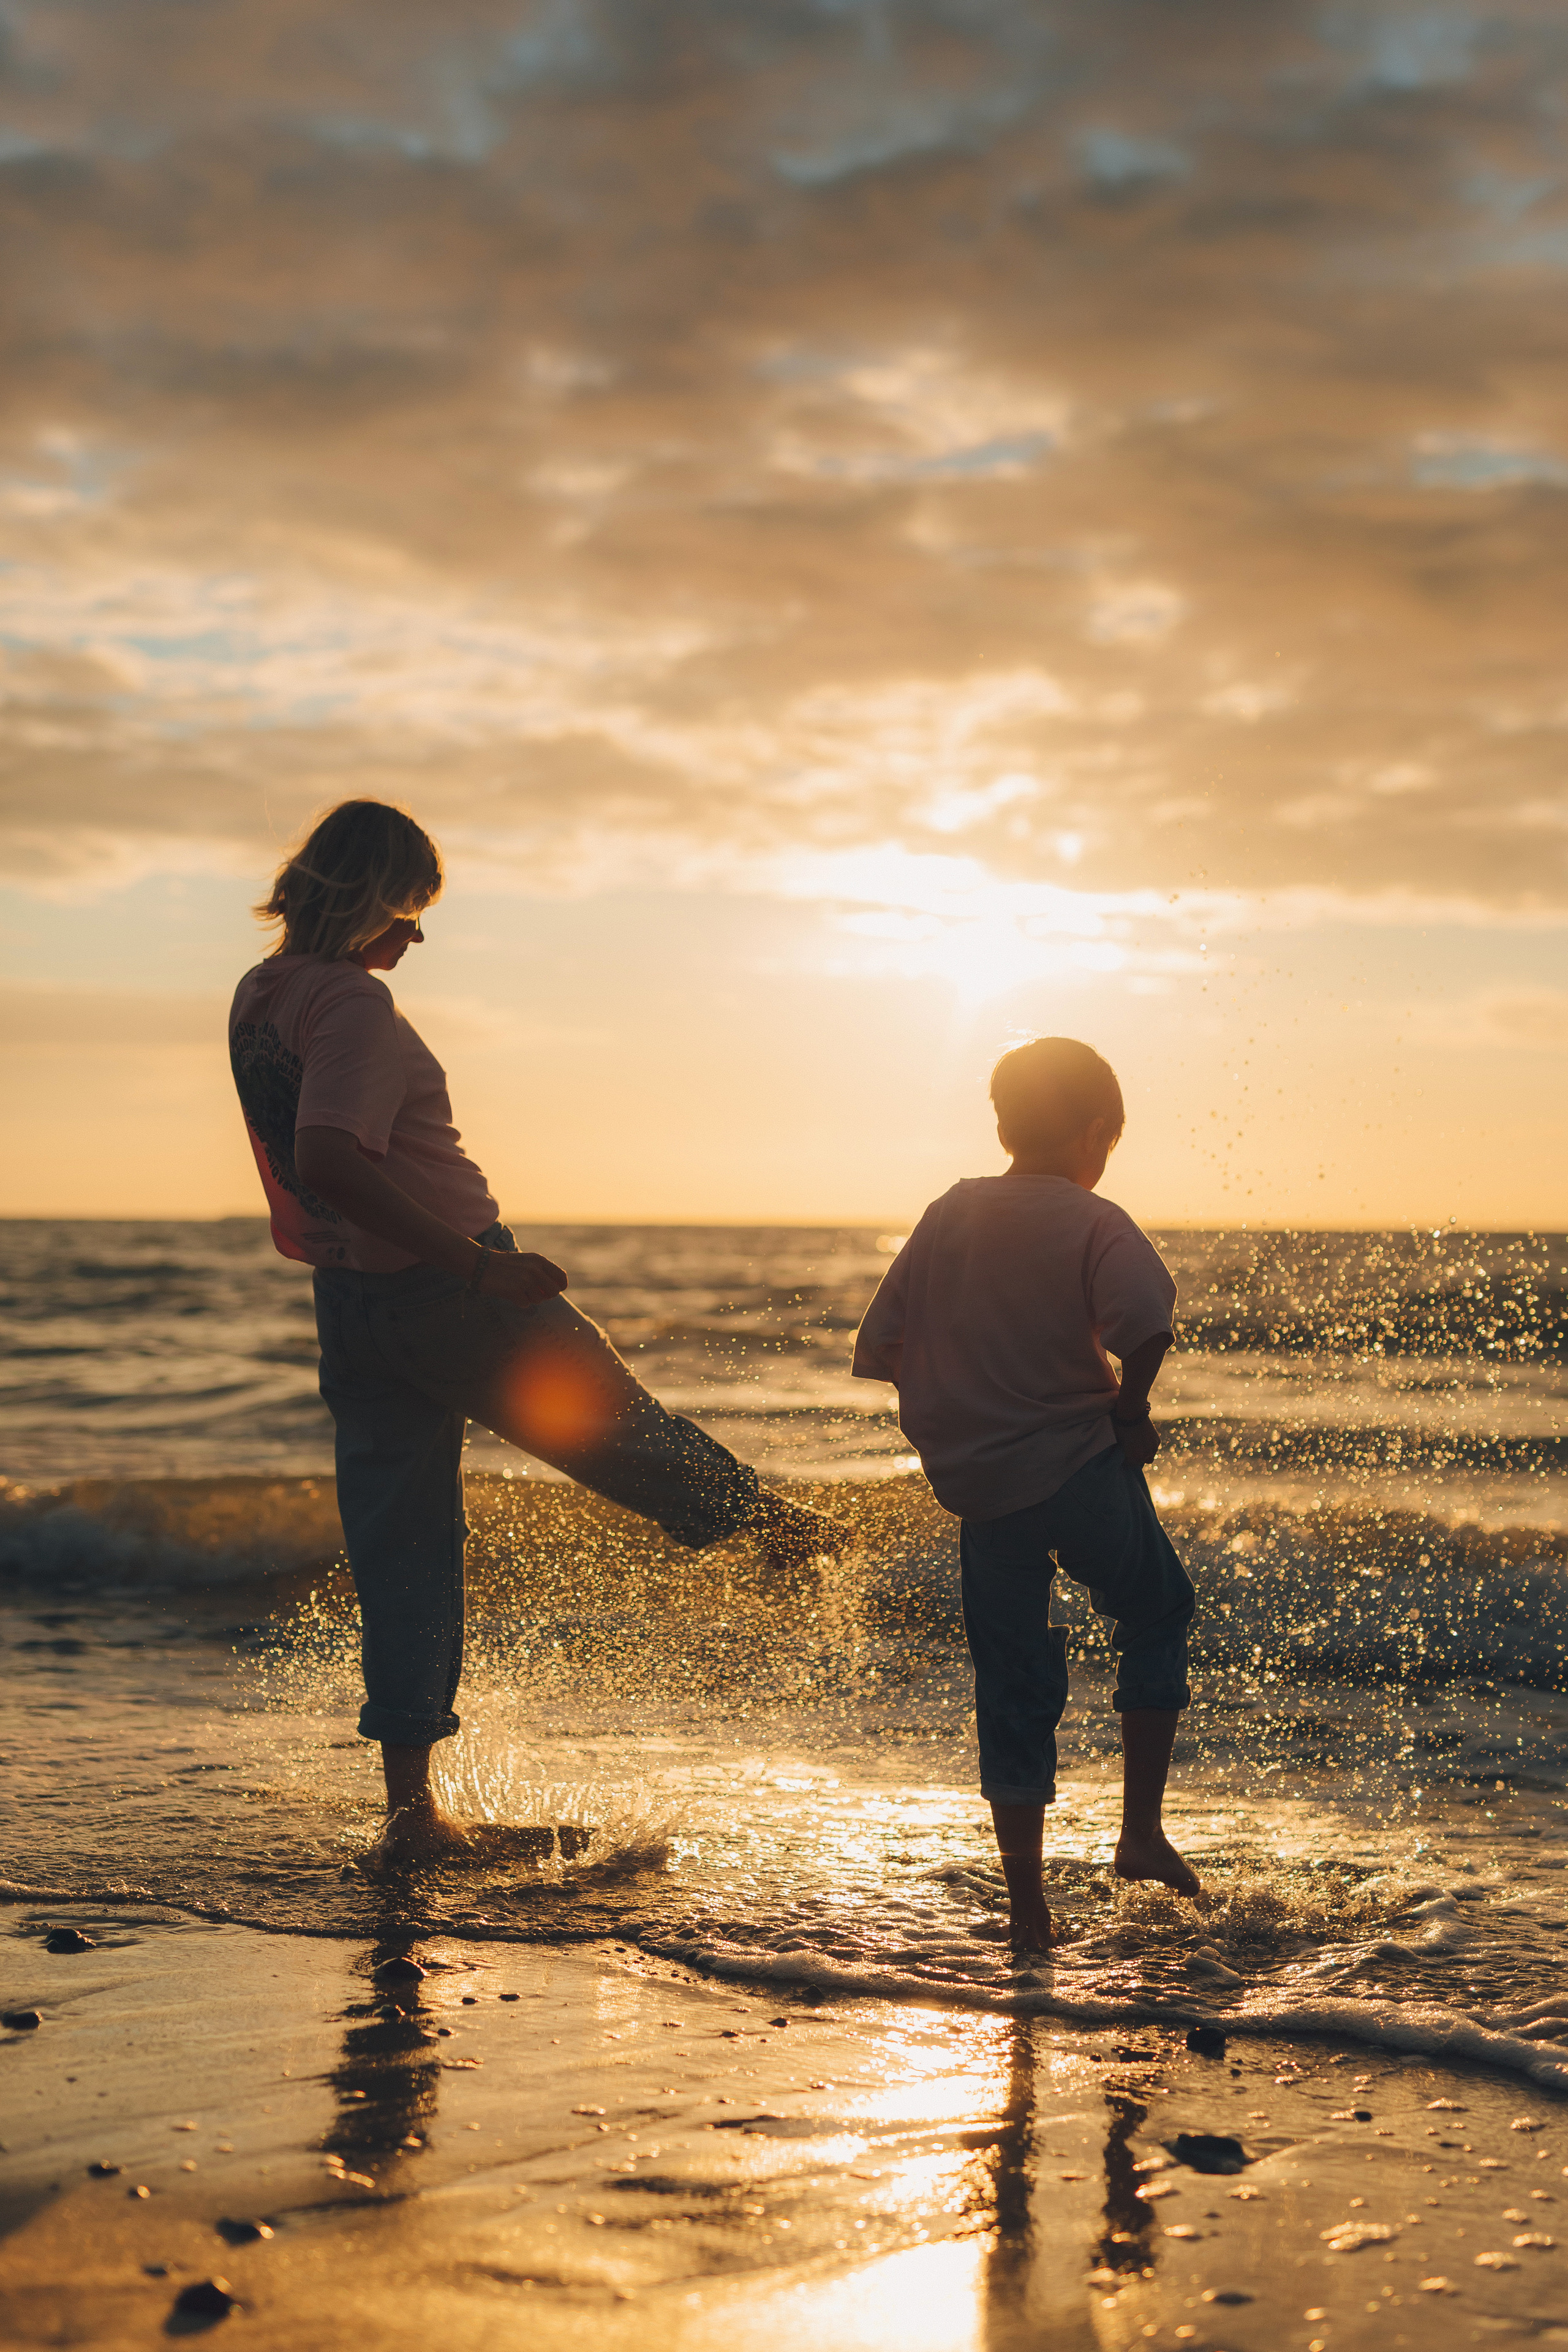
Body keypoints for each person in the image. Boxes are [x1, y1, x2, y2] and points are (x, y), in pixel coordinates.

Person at [229, 799, 842, 1871]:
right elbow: (327, 1154)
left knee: (404, 1551)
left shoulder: (260, 994)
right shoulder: (352, 1005)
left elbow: (311, 1164)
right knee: (618, 1430)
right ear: (374, 900)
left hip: (353, 1306)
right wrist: (478, 1264)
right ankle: (784, 1540)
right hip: (447, 1291)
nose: (414, 938)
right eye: (411, 912)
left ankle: (413, 1818)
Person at [851, 1036, 1199, 1949]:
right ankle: (1139, 1833)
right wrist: (1132, 1411)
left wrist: (964, 1407)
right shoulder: (1094, 1219)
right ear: (1094, 1133)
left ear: (1003, 1123)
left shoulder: (948, 1215)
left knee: (1010, 1680)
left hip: (985, 1498)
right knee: (1158, 1612)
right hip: (1083, 1470)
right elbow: (1147, 1323)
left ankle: (1028, 1911)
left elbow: (884, 1344)